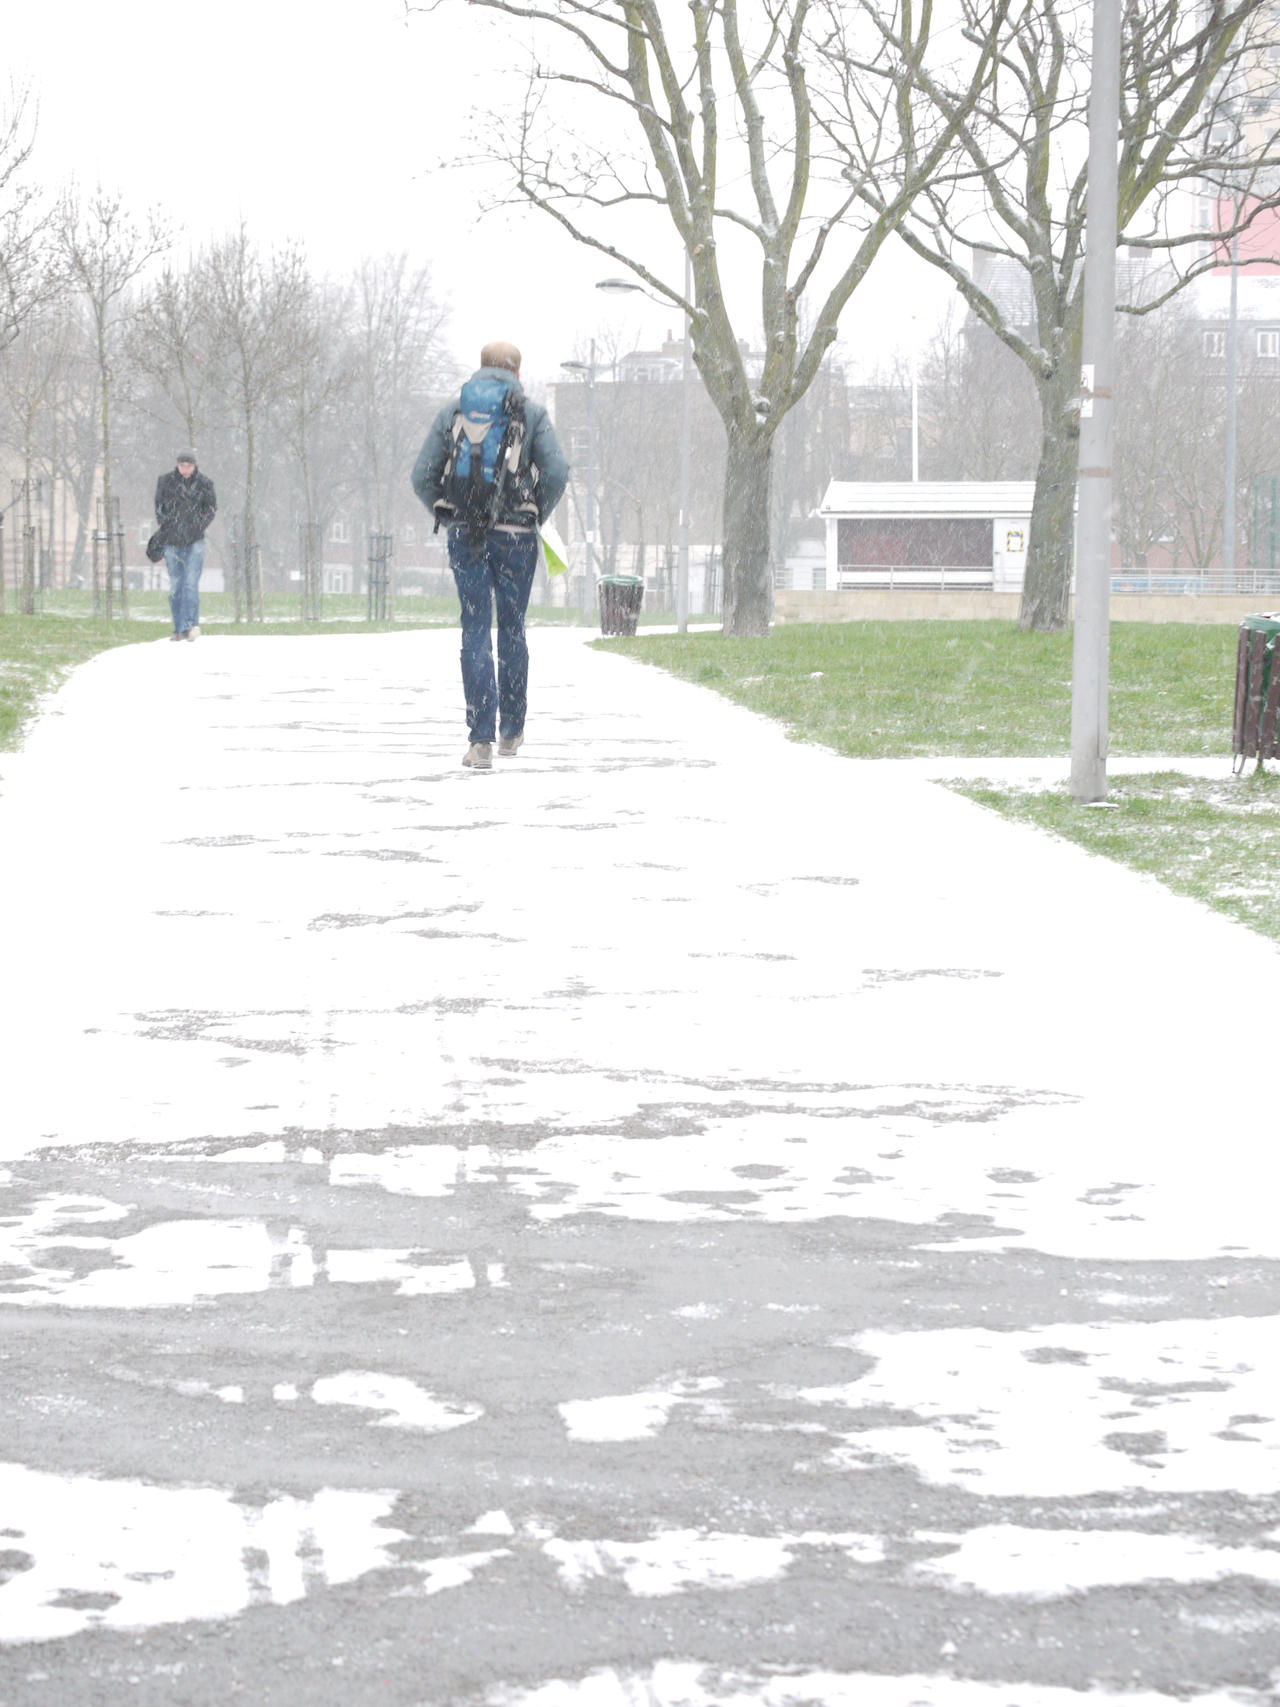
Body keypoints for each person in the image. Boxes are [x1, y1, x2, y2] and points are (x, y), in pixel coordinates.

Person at [412, 341, 569, 769]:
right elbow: (557, 471)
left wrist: (446, 512)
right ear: (517, 374)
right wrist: (534, 506)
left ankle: (479, 740)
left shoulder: (455, 412)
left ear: (480, 368)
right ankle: (511, 731)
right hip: (517, 534)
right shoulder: (531, 414)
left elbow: (422, 475)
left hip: (466, 532)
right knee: (512, 628)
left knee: (475, 629)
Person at [155, 451, 217, 642]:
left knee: (190, 584)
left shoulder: (204, 484)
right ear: (177, 465)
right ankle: (179, 627)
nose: (185, 469)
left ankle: (190, 625)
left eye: (188, 465)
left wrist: (197, 526)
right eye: (182, 465)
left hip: (194, 540)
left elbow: (211, 509)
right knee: (176, 587)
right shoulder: (165, 482)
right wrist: (168, 524)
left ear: (194, 466)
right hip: (172, 541)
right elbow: (159, 506)